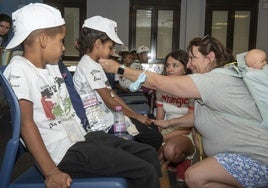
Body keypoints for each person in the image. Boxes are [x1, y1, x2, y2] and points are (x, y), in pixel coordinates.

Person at [3, 3, 161, 188]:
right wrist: (51, 172)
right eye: (61, 40)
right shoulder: (19, 68)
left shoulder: (52, 68)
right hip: (61, 153)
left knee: (147, 154)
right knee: (144, 172)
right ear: (43, 39)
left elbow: (66, 114)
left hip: (79, 139)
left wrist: (90, 139)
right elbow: (25, 123)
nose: (63, 48)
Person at [99, 35, 268, 188]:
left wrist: (119, 69)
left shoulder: (214, 80)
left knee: (195, 176)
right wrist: (168, 123)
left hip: (256, 159)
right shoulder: (213, 82)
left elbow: (157, 82)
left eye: (193, 58)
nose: (188, 64)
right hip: (237, 157)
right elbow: (196, 117)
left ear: (209, 58)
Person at [72, 16, 163, 151]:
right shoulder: (88, 66)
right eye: (110, 47)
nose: (112, 52)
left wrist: (135, 115)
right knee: (154, 138)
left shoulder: (96, 64)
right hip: (102, 125)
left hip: (111, 118)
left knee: (151, 129)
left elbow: (112, 94)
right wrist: (136, 117)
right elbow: (109, 101)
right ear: (98, 44)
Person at [153, 49, 195, 182]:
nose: (170, 69)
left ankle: (182, 160)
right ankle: (171, 163)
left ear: (185, 69)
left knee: (169, 151)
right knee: (151, 157)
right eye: (168, 65)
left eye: (175, 65)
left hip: (186, 132)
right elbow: (160, 118)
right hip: (166, 128)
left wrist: (163, 138)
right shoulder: (161, 88)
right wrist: (156, 135)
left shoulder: (192, 89)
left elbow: (188, 126)